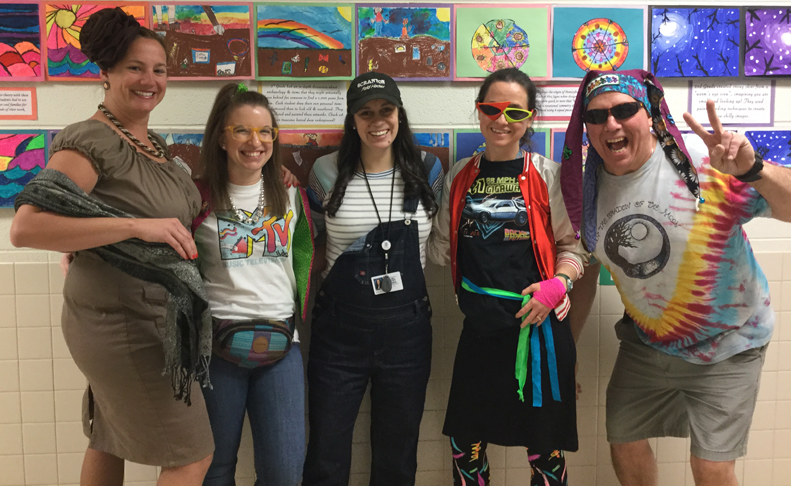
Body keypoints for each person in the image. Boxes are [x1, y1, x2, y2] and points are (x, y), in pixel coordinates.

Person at [9, 7, 214, 486]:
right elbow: (27, 227)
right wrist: (132, 228)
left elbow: (97, 214)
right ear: (106, 73)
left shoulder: (153, 145)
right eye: (134, 68)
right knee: (192, 454)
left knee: (108, 436)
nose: (150, 80)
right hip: (121, 324)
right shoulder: (93, 140)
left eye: (159, 70)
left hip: (149, 316)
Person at [560, 69, 791, 486]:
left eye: (624, 110)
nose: (610, 124)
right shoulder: (585, 188)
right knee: (624, 443)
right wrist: (567, 350)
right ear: (586, 128)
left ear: (649, 115)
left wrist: (753, 169)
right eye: (595, 116)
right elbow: (587, 274)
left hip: (729, 341)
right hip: (647, 342)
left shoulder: (701, 163)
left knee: (711, 467)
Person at [428, 67, 587, 485]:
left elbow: (574, 249)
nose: (502, 120)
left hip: (539, 334)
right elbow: (440, 249)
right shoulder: (459, 176)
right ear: (479, 111)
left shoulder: (548, 176)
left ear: (530, 118)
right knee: (465, 445)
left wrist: (558, 284)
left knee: (545, 451)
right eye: (491, 109)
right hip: (479, 333)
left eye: (515, 112)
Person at [302, 71, 444, 486]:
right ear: (352, 120)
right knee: (326, 454)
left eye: (386, 110)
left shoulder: (427, 169)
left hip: (408, 335)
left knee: (397, 457)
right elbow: (312, 244)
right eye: (365, 113)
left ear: (399, 114)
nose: (377, 121)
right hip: (338, 335)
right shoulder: (325, 172)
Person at [190, 83, 314, 486]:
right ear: (221, 138)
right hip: (217, 349)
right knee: (214, 469)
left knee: (285, 473)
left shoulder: (290, 193)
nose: (255, 142)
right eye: (241, 130)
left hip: (282, 346)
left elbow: (307, 253)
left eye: (264, 131)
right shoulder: (197, 197)